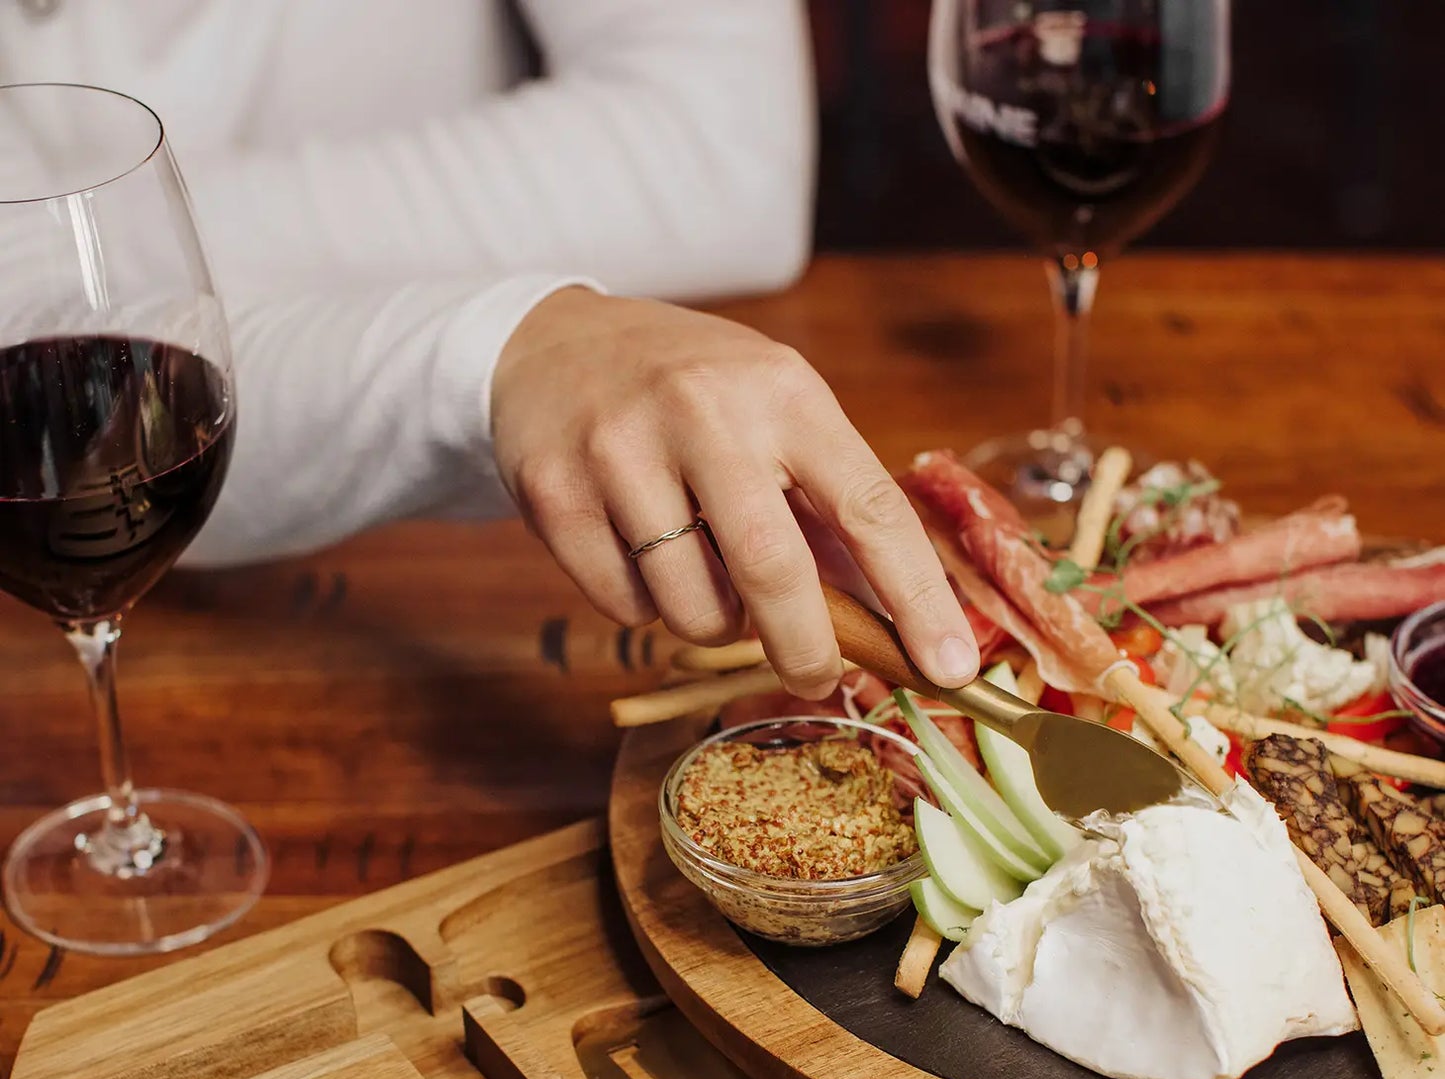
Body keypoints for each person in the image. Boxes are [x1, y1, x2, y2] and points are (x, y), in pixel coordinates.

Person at [1, 0, 977, 697]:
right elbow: (62, 422)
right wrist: (490, 348)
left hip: (486, 558)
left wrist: (91, 251)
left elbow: (720, 156)